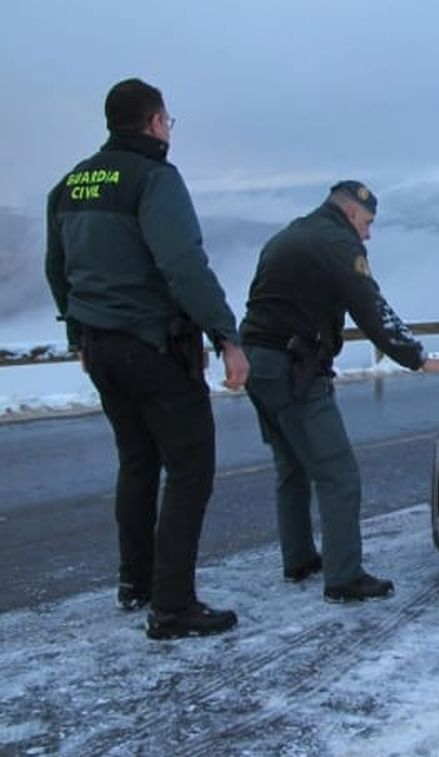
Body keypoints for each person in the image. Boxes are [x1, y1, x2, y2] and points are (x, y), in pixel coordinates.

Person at [44, 78, 248, 640]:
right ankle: (172, 605)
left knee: (137, 463)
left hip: (102, 348)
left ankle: (135, 583)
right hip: (154, 345)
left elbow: (56, 269)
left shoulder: (69, 184)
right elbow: (183, 264)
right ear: (156, 122)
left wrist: (79, 336)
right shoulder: (154, 178)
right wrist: (226, 336)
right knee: (190, 468)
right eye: (167, 121)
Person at [240, 181, 439, 603]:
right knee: (339, 474)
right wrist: (417, 357)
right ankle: (344, 578)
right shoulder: (336, 242)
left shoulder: (290, 234)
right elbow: (369, 305)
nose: (368, 234)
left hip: (260, 363)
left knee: (292, 466)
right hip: (294, 368)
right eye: (367, 223)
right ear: (349, 213)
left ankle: (299, 559)